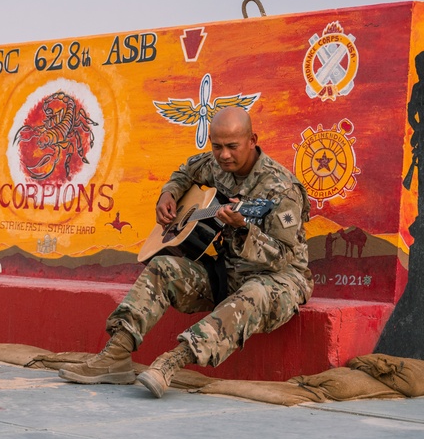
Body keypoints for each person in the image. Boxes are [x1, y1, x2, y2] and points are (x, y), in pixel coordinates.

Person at [59, 107, 312, 397]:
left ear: (252, 139)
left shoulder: (283, 188)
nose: (224, 155)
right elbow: (185, 171)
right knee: (162, 267)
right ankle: (115, 356)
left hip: (278, 282)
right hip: (228, 273)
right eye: (217, 147)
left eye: (232, 147)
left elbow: (283, 255)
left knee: (253, 292)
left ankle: (171, 363)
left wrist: (245, 230)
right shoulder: (216, 165)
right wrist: (169, 194)